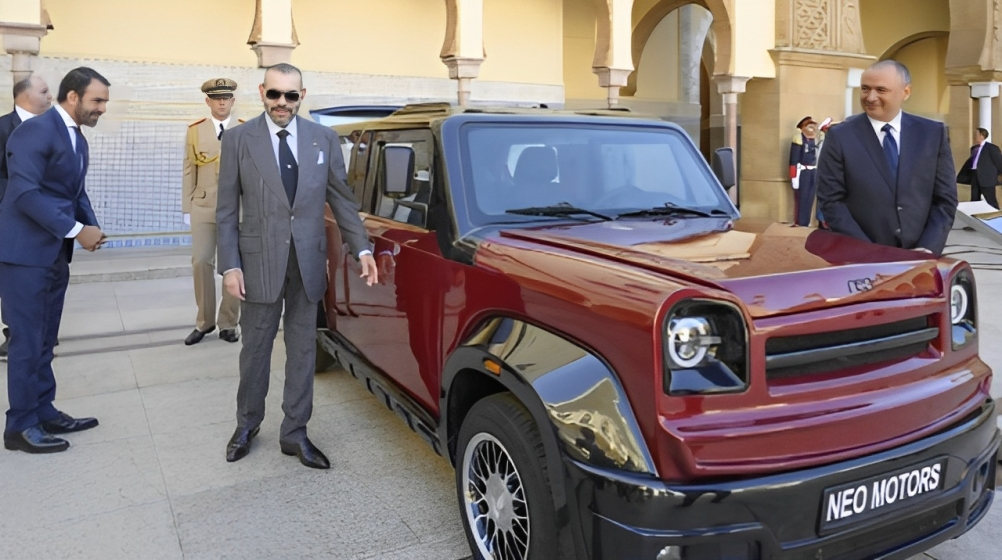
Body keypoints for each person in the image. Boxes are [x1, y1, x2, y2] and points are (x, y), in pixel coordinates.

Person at [216, 63, 378, 469]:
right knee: (255, 350)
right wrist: (230, 266)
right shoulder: (238, 140)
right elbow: (224, 212)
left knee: (303, 351)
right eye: (275, 94)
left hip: (307, 262)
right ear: (262, 92)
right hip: (258, 264)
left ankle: (295, 433)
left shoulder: (323, 138)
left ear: (302, 96)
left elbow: (342, 200)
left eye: (291, 95)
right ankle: (247, 425)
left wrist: (362, 250)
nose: (282, 103)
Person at [0, 67, 109, 454]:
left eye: (105, 102)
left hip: (52, 254)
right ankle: (20, 426)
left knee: (45, 339)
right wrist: (75, 230)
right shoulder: (34, 131)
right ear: (73, 96)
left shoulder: (76, 138)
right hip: (24, 254)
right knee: (26, 342)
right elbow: (25, 194)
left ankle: (43, 410)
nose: (102, 109)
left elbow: (73, 194)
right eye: (97, 101)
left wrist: (91, 226)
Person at [816, 60, 957, 256]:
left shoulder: (932, 134)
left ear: (905, 92)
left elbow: (945, 200)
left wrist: (927, 248)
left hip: (920, 258)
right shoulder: (840, 136)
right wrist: (868, 251)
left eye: (881, 90)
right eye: (865, 89)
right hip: (861, 258)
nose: (871, 97)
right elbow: (830, 200)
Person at [182, 78, 243, 345]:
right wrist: (187, 207)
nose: (222, 102)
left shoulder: (245, 130)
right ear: (208, 101)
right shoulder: (195, 130)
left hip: (236, 208)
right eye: (216, 98)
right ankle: (204, 321)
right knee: (201, 261)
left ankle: (228, 322)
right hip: (203, 205)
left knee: (234, 264)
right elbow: (189, 168)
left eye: (226, 97)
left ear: (232, 101)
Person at [0, 74, 53, 359]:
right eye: (44, 91)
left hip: (49, 219)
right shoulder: (2, 128)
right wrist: (21, 196)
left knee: (46, 276)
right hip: (14, 219)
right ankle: (14, 334)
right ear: (24, 95)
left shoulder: (53, 129)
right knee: (14, 279)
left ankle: (45, 332)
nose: (50, 97)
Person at [957, 127, 1002, 209]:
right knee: (974, 199)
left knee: (990, 200)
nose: (974, 136)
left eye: (976, 134)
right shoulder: (974, 148)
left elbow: (999, 162)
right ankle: (975, 218)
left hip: (987, 178)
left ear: (982, 135)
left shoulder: (991, 148)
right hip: (974, 176)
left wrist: (1000, 174)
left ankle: (995, 217)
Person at [789, 116, 819, 226]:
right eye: (810, 126)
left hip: (813, 171)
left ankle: (806, 221)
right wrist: (794, 176)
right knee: (802, 197)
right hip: (802, 171)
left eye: (814, 126)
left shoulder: (814, 139)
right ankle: (800, 222)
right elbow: (793, 159)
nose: (813, 129)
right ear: (803, 127)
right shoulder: (799, 138)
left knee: (810, 197)